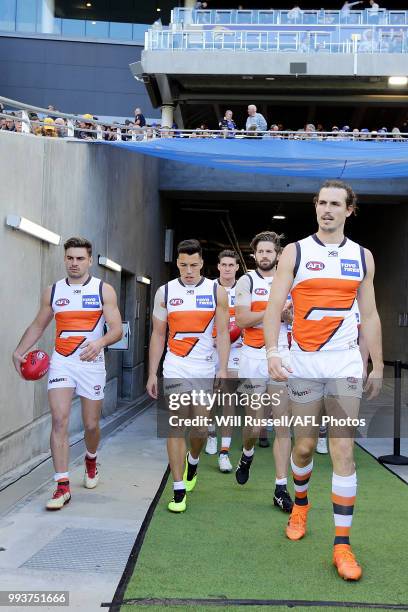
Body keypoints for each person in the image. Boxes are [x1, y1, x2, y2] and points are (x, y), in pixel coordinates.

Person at [264, 179, 383, 580]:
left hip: (345, 364)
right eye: (322, 203)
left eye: (336, 204)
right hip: (304, 364)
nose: (327, 209)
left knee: (343, 449)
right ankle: (300, 504)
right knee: (304, 447)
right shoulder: (295, 253)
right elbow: (274, 306)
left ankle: (342, 546)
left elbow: (369, 315)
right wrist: (272, 352)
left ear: (350, 210)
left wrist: (377, 365)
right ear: (315, 207)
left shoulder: (362, 257)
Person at [12, 237, 123, 510]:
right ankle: (62, 485)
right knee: (59, 420)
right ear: (64, 259)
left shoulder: (103, 290)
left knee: (90, 425)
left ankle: (91, 458)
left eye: (80, 258)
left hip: (91, 364)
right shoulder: (53, 291)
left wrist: (98, 343)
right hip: (61, 361)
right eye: (70, 258)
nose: (74, 263)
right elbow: (38, 325)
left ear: (89, 260)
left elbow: (117, 329)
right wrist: (19, 350)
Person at [146, 239, 230, 513]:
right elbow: (158, 335)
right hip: (175, 367)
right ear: (178, 263)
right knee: (175, 427)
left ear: (202, 263)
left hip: (205, 368)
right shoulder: (165, 292)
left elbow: (224, 335)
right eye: (183, 265)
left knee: (201, 429)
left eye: (194, 265)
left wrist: (223, 368)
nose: (189, 270)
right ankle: (178, 488)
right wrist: (152, 373)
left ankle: (194, 461)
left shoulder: (217, 291)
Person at [234, 232, 294, 513]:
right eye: (261, 252)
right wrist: (274, 311)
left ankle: (281, 488)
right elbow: (243, 319)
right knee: (254, 425)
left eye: (270, 251)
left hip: (281, 353)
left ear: (278, 254)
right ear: (254, 255)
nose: (266, 256)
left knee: (283, 424)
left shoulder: (289, 280)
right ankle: (247, 455)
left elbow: (294, 317)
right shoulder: (247, 280)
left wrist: (289, 315)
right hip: (251, 356)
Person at [205, 250, 241, 473]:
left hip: (235, 350)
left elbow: (246, 320)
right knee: (210, 397)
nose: (227, 268)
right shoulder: (208, 288)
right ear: (218, 266)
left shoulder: (244, 289)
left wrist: (232, 336)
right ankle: (210, 432)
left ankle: (225, 451)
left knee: (228, 398)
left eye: (231, 265)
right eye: (224, 265)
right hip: (210, 350)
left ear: (237, 267)